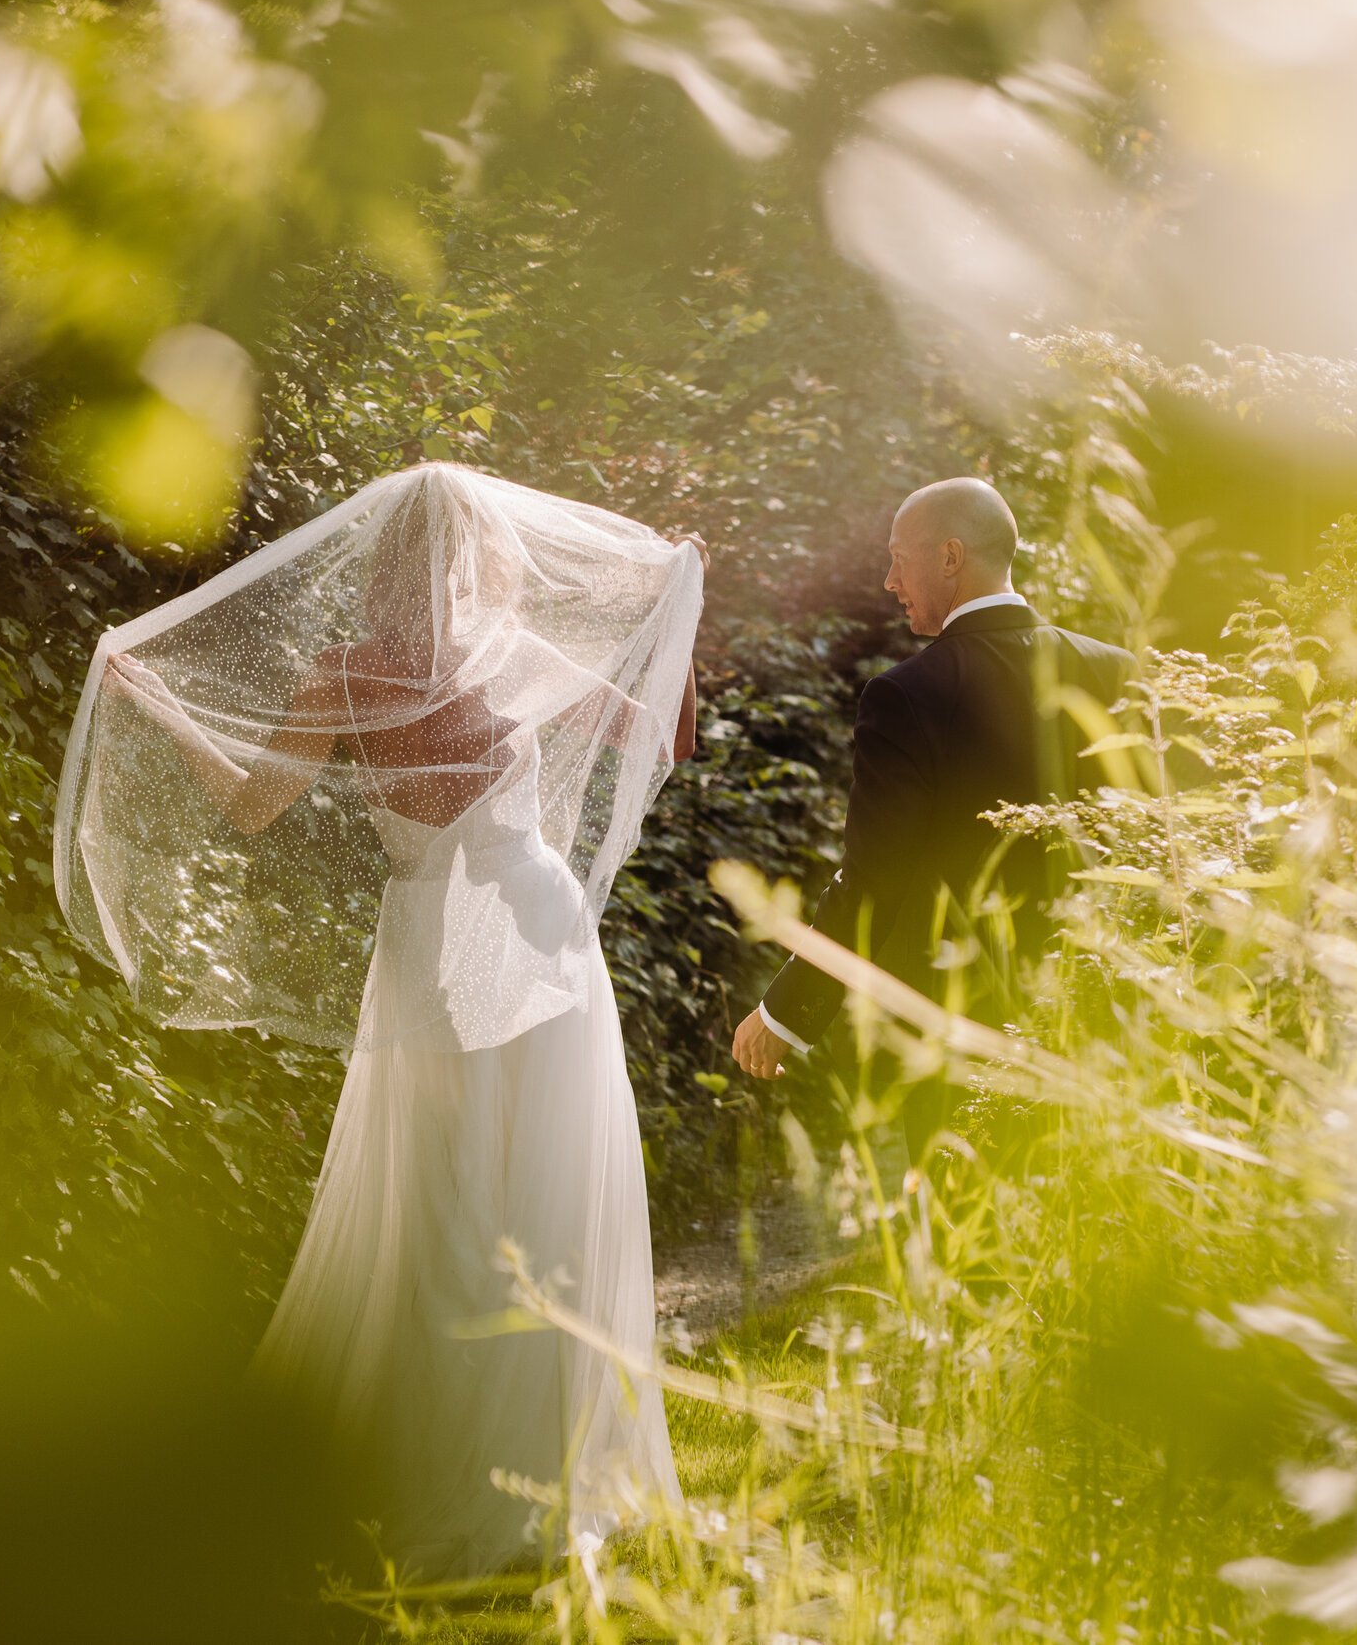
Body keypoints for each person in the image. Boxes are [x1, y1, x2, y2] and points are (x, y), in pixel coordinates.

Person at [58, 463, 702, 1578]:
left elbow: (254, 805)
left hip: (436, 950)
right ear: (481, 551)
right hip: (540, 934)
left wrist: (158, 700)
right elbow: (665, 742)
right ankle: (537, 1461)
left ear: (383, 560)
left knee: (440, 1194)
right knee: (545, 1183)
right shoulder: (520, 656)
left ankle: (429, 1455)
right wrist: (683, 601)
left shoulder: (347, 676)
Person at [730, 477, 1132, 1156]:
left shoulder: (906, 695)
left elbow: (871, 880)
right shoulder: (1114, 672)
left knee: (963, 1243)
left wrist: (784, 1012)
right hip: (1104, 1019)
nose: (889, 580)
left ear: (950, 556)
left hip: (961, 1028)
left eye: (898, 557)